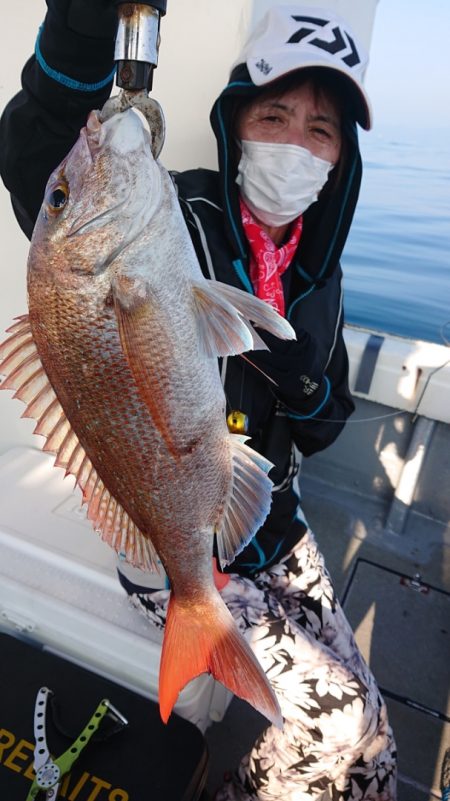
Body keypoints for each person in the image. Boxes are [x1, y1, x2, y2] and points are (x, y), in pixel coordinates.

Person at [0, 3, 397, 799]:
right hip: (172, 545)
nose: (294, 143)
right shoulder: (170, 211)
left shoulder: (321, 270)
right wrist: (87, 20)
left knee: (375, 741)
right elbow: (42, 144)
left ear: (340, 159)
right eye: (274, 114)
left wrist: (303, 379)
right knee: (340, 718)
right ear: (234, 123)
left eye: (319, 130)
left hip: (264, 515)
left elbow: (324, 425)